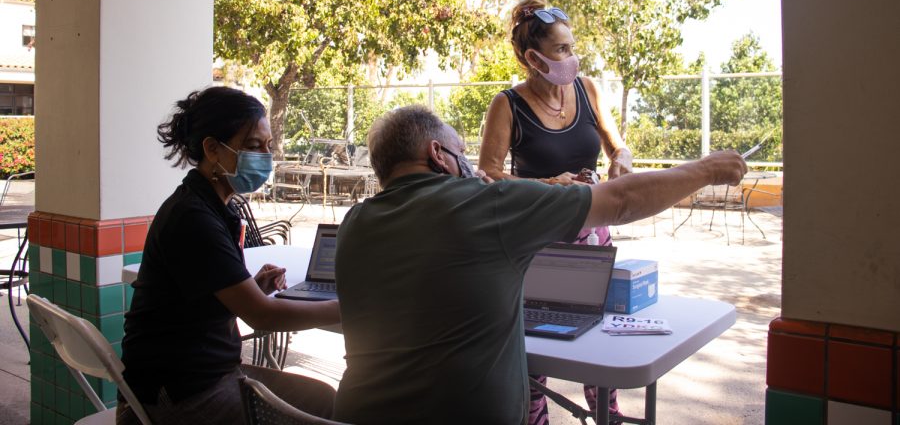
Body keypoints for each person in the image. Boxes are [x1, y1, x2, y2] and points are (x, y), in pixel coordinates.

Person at [333, 105, 746, 425]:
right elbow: (618, 201)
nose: (472, 166)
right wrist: (706, 169)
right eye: (461, 152)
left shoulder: (354, 223)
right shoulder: (483, 206)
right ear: (438, 155)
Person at [117, 87, 340, 425]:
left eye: (268, 147)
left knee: (323, 399)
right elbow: (263, 317)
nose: (265, 156)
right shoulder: (193, 217)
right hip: (178, 393)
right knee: (320, 411)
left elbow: (200, 297)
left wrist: (251, 287)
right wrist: (352, 309)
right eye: (252, 146)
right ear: (212, 149)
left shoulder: (211, 206)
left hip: (206, 375)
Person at [478, 0, 632, 420]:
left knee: (598, 340)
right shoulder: (506, 104)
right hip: (536, 239)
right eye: (562, 49)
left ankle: (607, 416)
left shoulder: (587, 90)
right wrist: (549, 183)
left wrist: (620, 161)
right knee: (536, 349)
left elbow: (617, 147)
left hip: (593, 233)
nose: (572, 56)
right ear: (533, 57)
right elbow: (487, 173)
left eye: (572, 46)